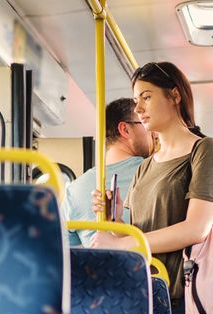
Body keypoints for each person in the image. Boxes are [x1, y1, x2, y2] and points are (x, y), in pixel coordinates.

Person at [91, 61, 213, 314]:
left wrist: (126, 242)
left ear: (174, 96)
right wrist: (112, 223)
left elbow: (195, 228)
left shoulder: (205, 150)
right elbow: (134, 231)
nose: (138, 108)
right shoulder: (146, 166)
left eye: (146, 97)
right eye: (136, 100)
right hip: (149, 296)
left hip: (185, 298)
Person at [62, 98, 154, 246]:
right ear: (125, 129)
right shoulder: (157, 172)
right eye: (144, 123)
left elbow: (61, 248)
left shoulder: (74, 189)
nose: (152, 132)